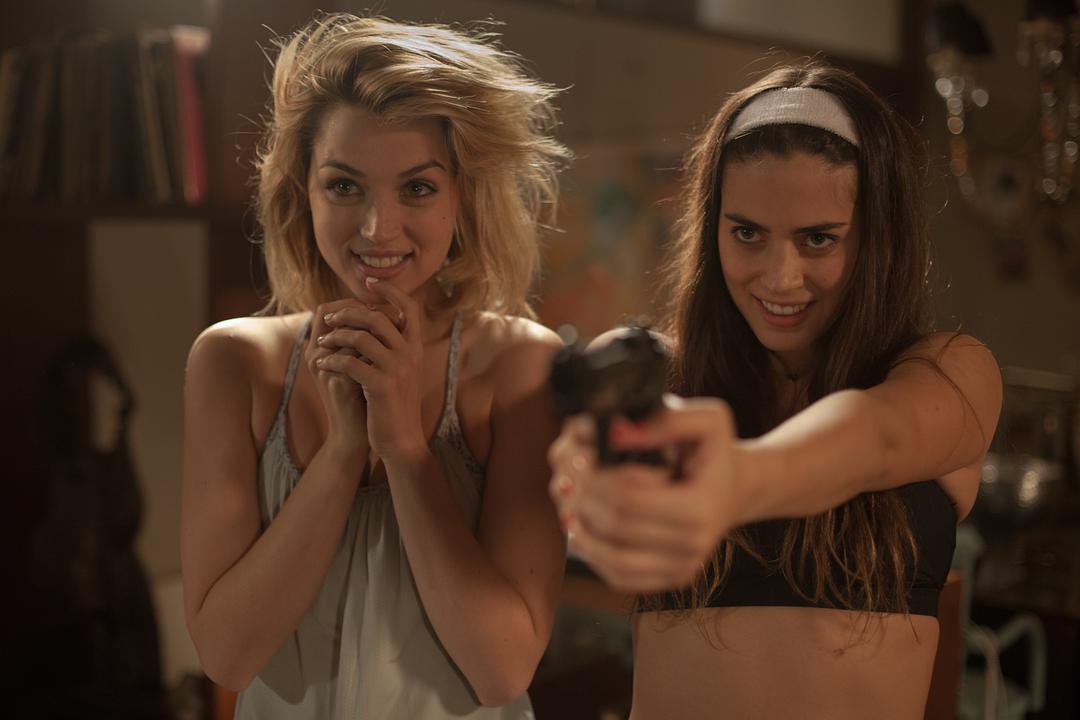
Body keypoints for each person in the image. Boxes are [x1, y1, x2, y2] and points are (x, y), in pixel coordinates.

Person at [548, 60, 1002, 719]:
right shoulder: (662, 378)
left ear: (879, 240)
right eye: (747, 233)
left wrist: (733, 479)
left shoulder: (952, 371)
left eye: (818, 239)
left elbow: (875, 435)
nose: (779, 277)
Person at [181, 13, 570, 718]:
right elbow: (226, 657)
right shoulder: (233, 362)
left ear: (463, 194)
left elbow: (502, 669)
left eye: (417, 188)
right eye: (344, 186)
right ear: (303, 188)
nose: (376, 228)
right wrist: (342, 452)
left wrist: (404, 448)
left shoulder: (521, 366)